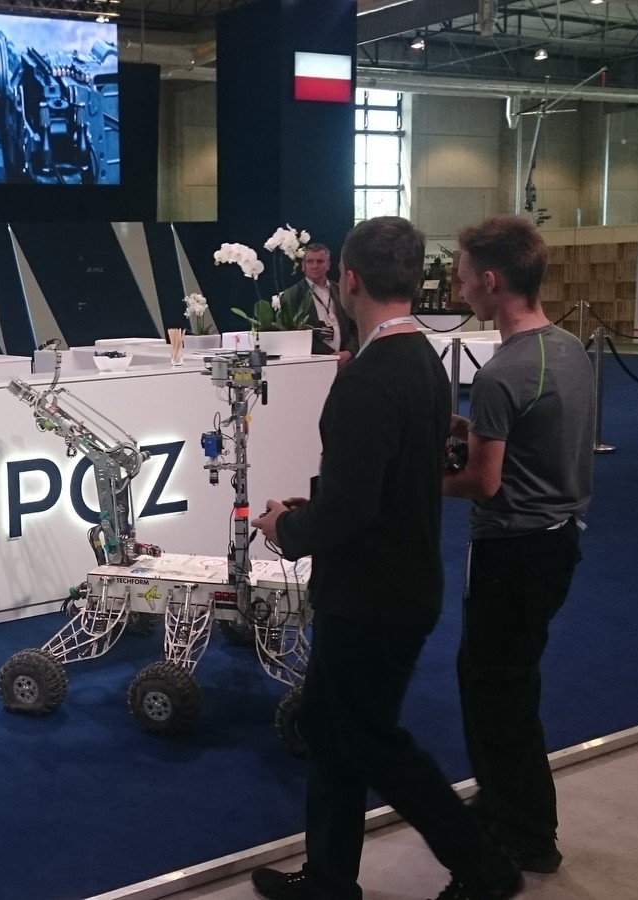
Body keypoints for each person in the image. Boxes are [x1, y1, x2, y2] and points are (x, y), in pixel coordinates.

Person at [248, 218, 523, 900]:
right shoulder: (423, 359)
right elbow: (384, 480)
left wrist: (287, 527)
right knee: (328, 727)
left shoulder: (370, 377)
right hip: (398, 580)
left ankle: (485, 868)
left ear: (349, 280)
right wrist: (316, 506)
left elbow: (351, 509)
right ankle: (329, 878)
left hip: (371, 594)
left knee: (369, 740)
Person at [445, 216, 593, 877]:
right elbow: (535, 438)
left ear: (491, 280)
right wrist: (470, 428)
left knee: (496, 689)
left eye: (463, 276)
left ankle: (526, 835)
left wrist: (416, 479)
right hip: (557, 541)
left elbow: (483, 481)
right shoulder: (569, 349)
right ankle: (504, 801)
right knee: (502, 679)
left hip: (511, 550)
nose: (458, 286)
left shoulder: (504, 371)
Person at [278, 243, 358, 364]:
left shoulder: (342, 290)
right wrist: (326, 358)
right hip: (313, 363)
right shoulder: (292, 295)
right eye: (310, 261)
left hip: (345, 361)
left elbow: (356, 325)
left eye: (320, 261)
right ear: (303, 266)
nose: (315, 266)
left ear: (328, 265)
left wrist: (349, 352)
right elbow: (289, 335)